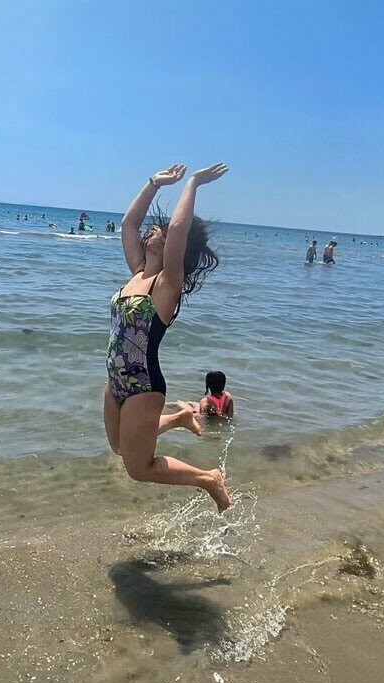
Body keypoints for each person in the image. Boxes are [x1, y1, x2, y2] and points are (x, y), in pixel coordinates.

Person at [104, 162, 231, 512]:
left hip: (144, 387)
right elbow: (128, 224)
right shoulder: (137, 274)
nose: (149, 233)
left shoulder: (165, 285)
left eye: (156, 231)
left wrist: (192, 183)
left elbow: (178, 229)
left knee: (139, 468)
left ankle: (209, 478)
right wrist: (152, 184)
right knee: (118, 445)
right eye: (151, 231)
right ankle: (177, 418)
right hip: (115, 380)